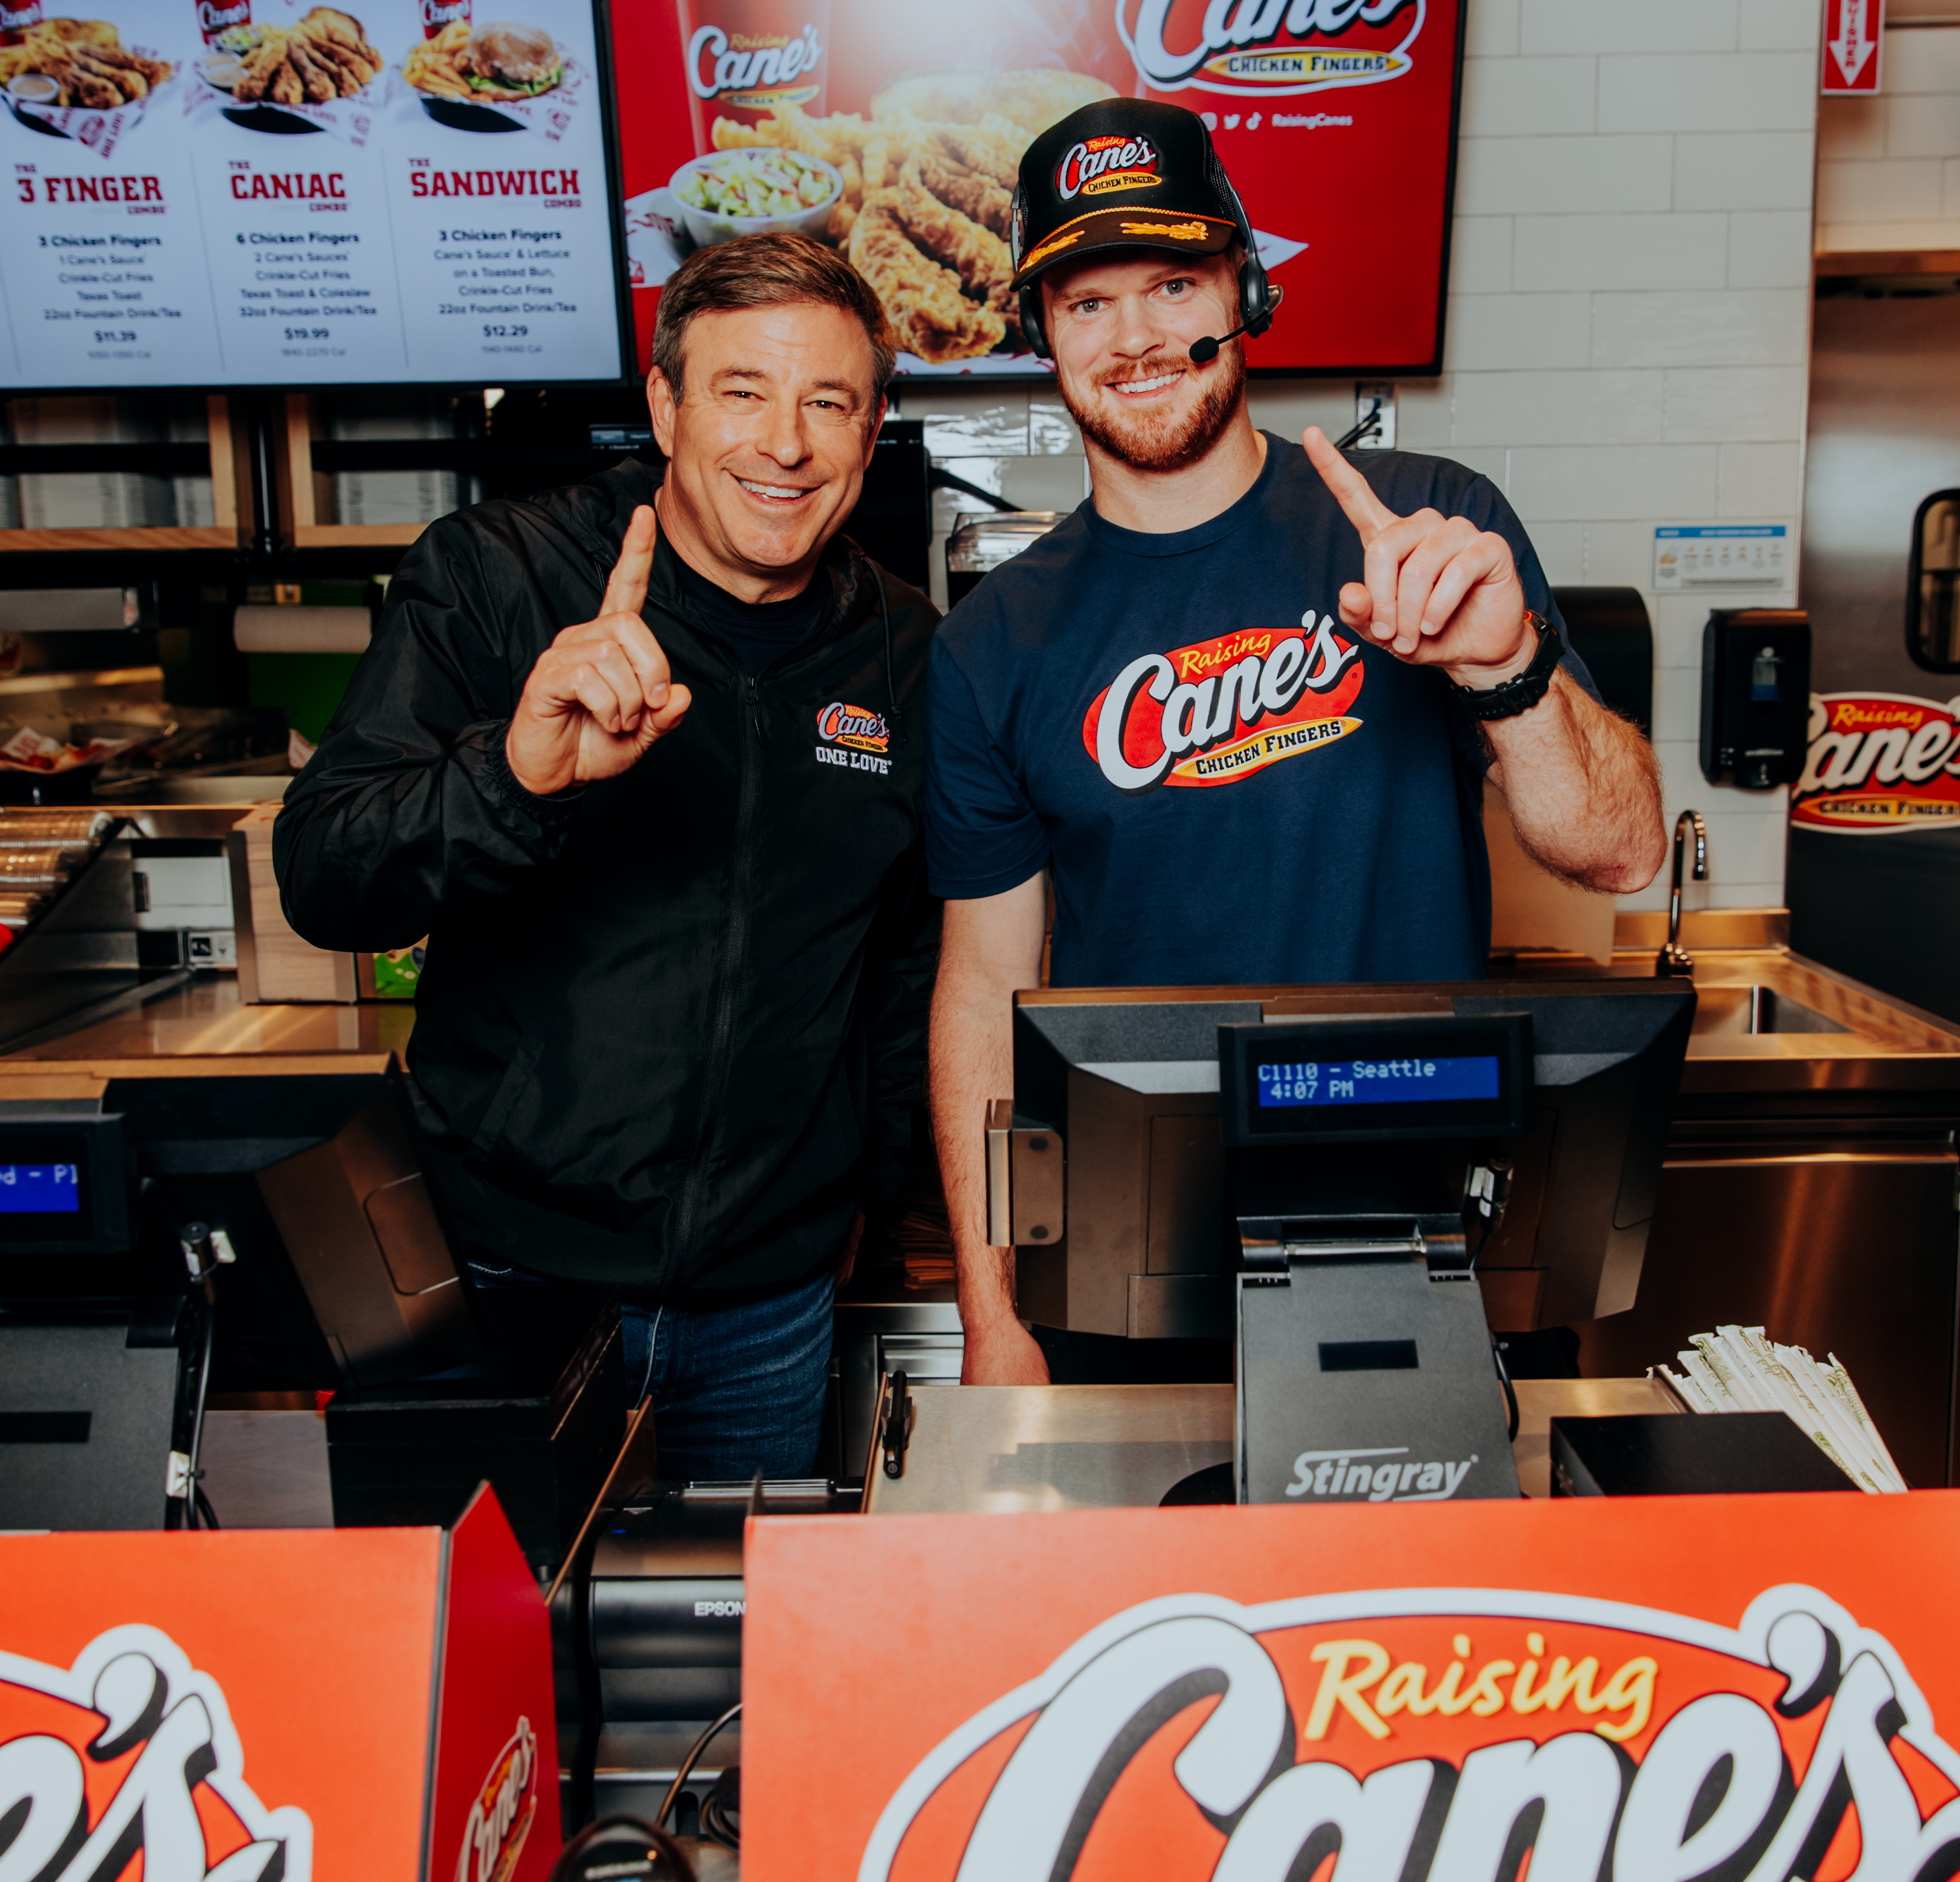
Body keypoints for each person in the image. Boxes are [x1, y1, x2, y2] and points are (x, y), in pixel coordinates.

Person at [925, 99, 1667, 1388]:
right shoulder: (995, 641)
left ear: (1244, 289)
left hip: (1423, 1250)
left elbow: (1620, 855)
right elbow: (985, 989)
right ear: (1041, 331)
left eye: (1173, 282)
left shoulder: (1433, 529)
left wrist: (1507, 668)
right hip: (1127, 1281)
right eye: (1088, 301)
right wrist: (996, 1315)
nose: (1138, 336)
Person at [275, 232, 938, 1476]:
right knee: (485, 1655)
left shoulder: (906, 649)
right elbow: (323, 874)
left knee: (721, 1659)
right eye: (742, 391)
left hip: (768, 1311)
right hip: (501, 1279)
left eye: (828, 403)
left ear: (872, 427)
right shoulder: (500, 577)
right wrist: (514, 775)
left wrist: (861, 1187)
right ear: (667, 405)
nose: (785, 443)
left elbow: (901, 962)